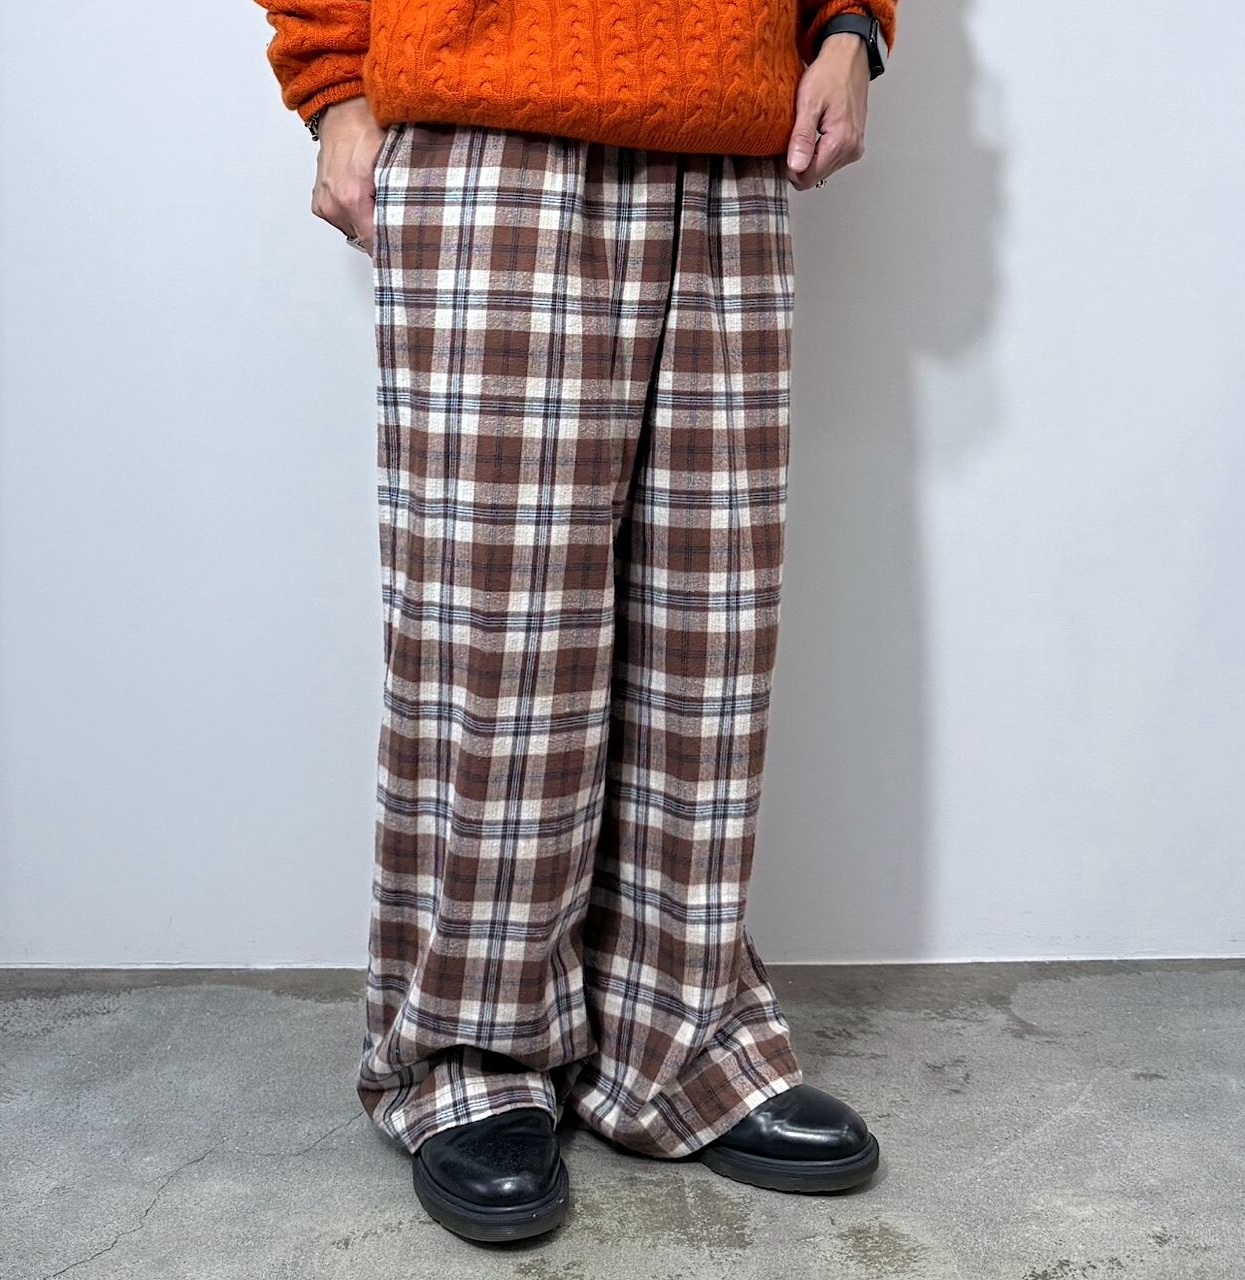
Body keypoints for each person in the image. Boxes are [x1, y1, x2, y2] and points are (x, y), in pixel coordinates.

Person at [253, 0, 897, 1244]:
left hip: (729, 131)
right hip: (489, 115)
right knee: (499, 639)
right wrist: (334, 86)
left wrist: (845, 27)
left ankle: (679, 1034)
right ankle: (471, 1050)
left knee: (706, 631)